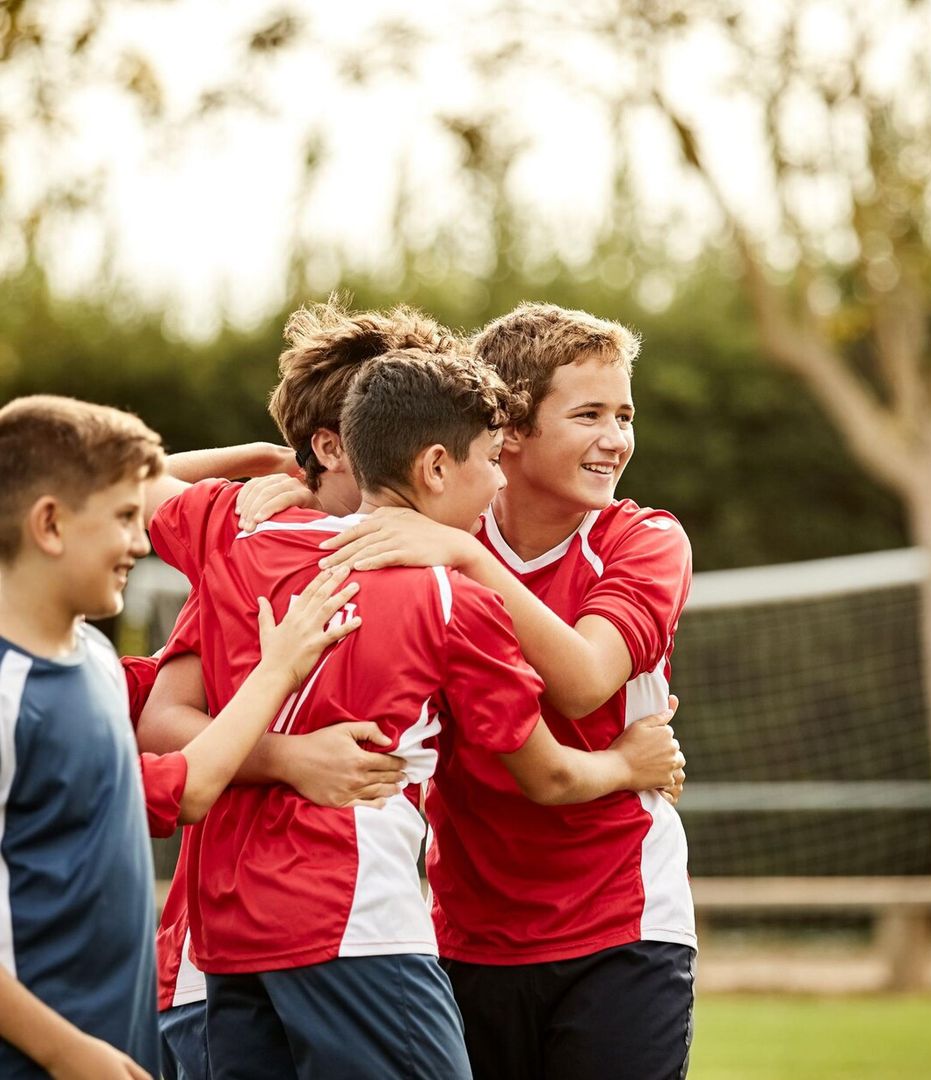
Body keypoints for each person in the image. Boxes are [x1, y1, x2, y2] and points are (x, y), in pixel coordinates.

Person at [141, 348, 682, 1080]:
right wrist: (625, 764)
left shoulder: (237, 536)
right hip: (359, 924)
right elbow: (548, 775)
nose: (495, 479)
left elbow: (117, 481)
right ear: (434, 466)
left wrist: (259, 463)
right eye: (490, 458)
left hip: (228, 941)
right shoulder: (454, 596)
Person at [316, 303, 696, 1079]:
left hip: (624, 924)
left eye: (624, 414)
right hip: (465, 935)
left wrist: (465, 559)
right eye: (589, 414)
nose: (616, 438)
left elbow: (588, 680)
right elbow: (340, 493)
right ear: (510, 431)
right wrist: (278, 490)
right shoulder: (435, 534)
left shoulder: (646, 540)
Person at [0, 396, 364, 1079]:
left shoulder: (94, 663)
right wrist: (280, 669)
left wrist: (260, 460)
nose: (143, 541)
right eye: (123, 521)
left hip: (113, 1051)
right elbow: (189, 787)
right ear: (48, 524)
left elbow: (90, 475)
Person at [137, 299, 453, 1080]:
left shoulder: (437, 561)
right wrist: (288, 757)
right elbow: (164, 720)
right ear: (331, 448)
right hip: (216, 955)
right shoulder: (242, 550)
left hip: (310, 932)